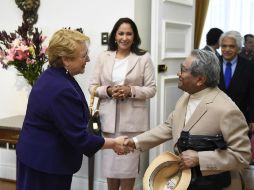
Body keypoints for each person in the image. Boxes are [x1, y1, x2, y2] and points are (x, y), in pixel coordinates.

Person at [16, 28, 127, 190]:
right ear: (66, 59)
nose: (88, 59)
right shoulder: (61, 89)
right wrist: (114, 143)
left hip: (33, 156)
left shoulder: (51, 76)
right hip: (46, 165)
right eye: (83, 56)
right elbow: (79, 137)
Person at [125, 49, 251, 190]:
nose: (178, 74)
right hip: (186, 181)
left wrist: (200, 159)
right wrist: (134, 142)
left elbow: (242, 156)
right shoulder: (186, 97)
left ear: (200, 79)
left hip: (217, 185)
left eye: (183, 70)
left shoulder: (227, 110)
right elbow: (169, 126)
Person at [89, 17, 156, 190]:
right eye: (120, 33)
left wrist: (130, 90)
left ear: (134, 37)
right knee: (111, 171)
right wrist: (109, 90)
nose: (124, 38)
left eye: (128, 34)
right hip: (108, 123)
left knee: (128, 172)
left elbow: (151, 89)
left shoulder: (143, 58)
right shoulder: (104, 57)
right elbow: (92, 87)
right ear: (114, 36)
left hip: (132, 124)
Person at [218, 31, 254, 136]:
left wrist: (252, 119)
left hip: (241, 118)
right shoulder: (213, 64)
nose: (227, 49)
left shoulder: (249, 66)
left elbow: (252, 94)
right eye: (224, 46)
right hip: (216, 118)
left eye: (231, 46)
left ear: (238, 48)